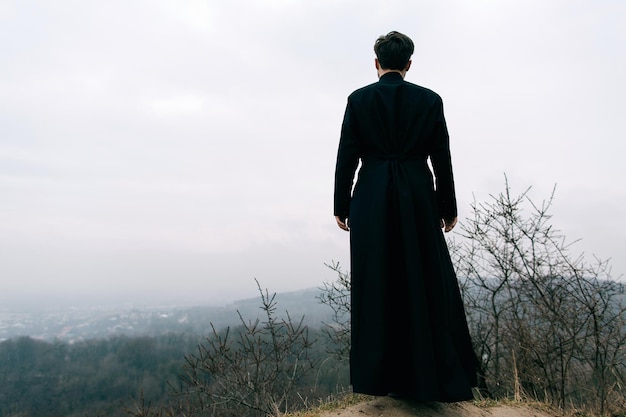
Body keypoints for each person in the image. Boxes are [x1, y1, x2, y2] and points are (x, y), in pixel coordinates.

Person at [333, 31, 477, 402]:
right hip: (417, 197)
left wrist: (341, 205)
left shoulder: (358, 100)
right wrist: (448, 208)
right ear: (409, 64)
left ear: (376, 62)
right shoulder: (429, 100)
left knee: (378, 282)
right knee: (423, 279)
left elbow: (347, 156)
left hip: (371, 199)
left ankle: (384, 379)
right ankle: (428, 376)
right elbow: (441, 159)